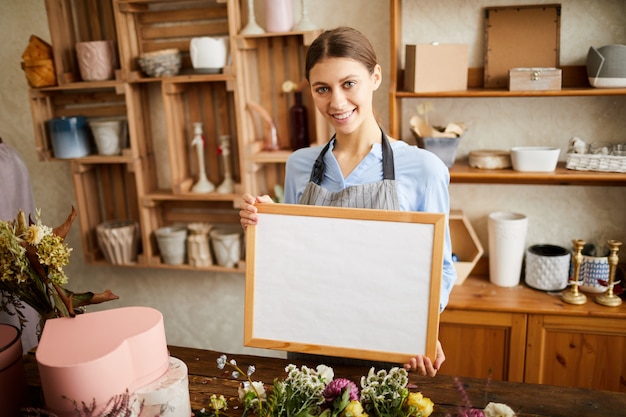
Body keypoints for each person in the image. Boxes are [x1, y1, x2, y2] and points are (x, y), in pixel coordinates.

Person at [239, 26, 456, 377]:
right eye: (322, 89)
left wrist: (423, 326)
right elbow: (294, 262)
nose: (336, 102)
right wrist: (265, 226)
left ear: (375, 77)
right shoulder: (299, 165)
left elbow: (442, 267)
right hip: (307, 345)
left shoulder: (424, 168)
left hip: (387, 346)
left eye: (348, 84)